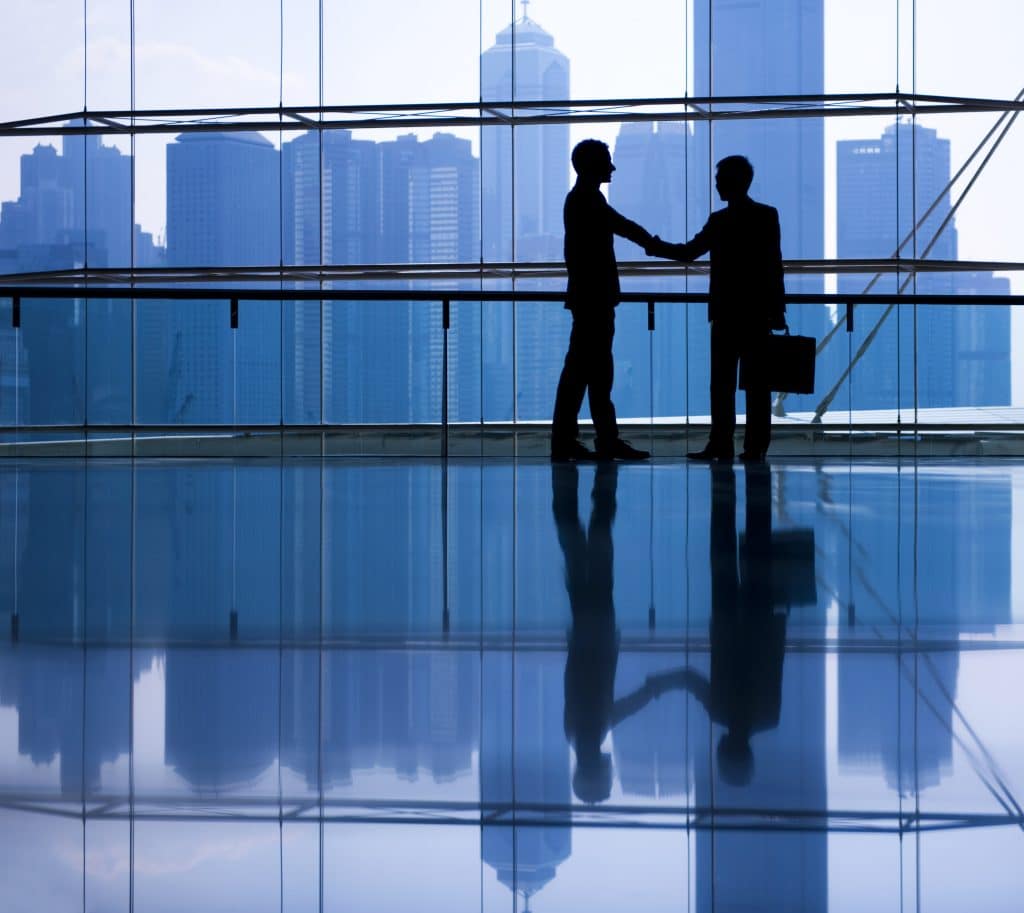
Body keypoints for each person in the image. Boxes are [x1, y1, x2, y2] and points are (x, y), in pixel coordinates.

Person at [646, 155, 786, 463]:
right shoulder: (766, 216)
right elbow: (774, 266)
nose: (716, 184)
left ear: (734, 182)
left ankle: (721, 443)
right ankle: (755, 447)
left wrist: (656, 248)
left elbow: (688, 252)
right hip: (756, 313)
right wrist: (778, 309)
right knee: (757, 385)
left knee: (721, 385)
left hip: (725, 313)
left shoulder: (720, 221)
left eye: (720, 179)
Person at [551, 139, 655, 462]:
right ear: (591, 166)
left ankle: (589, 439)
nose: (612, 167)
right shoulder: (586, 201)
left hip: (590, 300)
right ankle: (592, 440)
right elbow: (622, 226)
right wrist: (658, 245)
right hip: (593, 302)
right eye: (607, 161)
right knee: (588, 374)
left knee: (590, 373)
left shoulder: (584, 199)